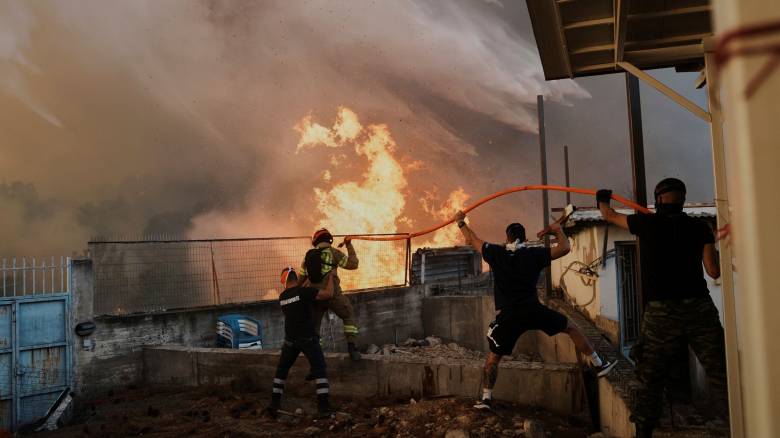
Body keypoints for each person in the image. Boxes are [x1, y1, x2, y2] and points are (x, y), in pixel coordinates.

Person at [596, 178, 728, 438]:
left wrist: (602, 199)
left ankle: (644, 430)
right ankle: (742, 421)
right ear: (682, 198)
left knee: (650, 376)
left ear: (658, 199)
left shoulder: (646, 223)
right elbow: (713, 271)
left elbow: (609, 216)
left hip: (660, 312)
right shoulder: (699, 227)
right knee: (721, 370)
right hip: (698, 308)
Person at [454, 211, 617, 411]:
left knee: (493, 358)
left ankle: (486, 398)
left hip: (509, 316)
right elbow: (565, 247)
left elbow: (471, 239)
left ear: (507, 238)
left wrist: (461, 221)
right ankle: (598, 362)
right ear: (526, 238)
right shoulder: (534, 254)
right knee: (571, 328)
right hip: (533, 310)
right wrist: (558, 231)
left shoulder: (496, 253)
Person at [269, 267, 334, 417]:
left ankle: (274, 403)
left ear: (283, 281)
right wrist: (330, 276)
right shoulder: (305, 293)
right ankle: (323, 407)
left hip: (290, 341)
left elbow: (298, 294)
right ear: (295, 278)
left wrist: (308, 279)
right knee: (320, 370)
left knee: (281, 371)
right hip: (309, 339)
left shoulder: (283, 297)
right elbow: (328, 294)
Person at [298, 228, 361, 361]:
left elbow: (300, 279)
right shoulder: (334, 253)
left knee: (315, 327)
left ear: (316, 241)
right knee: (348, 314)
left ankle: (316, 357)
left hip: (315, 296)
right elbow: (353, 264)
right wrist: (349, 245)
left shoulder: (308, 256)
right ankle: (352, 347)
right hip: (333, 295)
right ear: (329, 240)